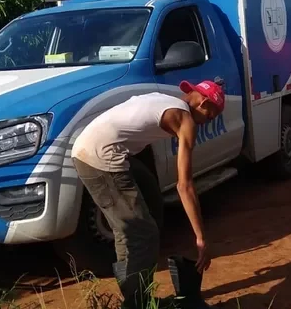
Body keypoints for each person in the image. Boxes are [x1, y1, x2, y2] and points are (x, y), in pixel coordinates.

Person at [70, 80, 223, 308]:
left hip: (84, 152)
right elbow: (185, 185)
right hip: (102, 157)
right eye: (212, 114)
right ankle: (137, 303)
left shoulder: (163, 99)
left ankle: (135, 299)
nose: (211, 120)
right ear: (204, 102)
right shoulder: (185, 121)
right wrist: (201, 238)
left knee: (127, 232)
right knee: (145, 234)